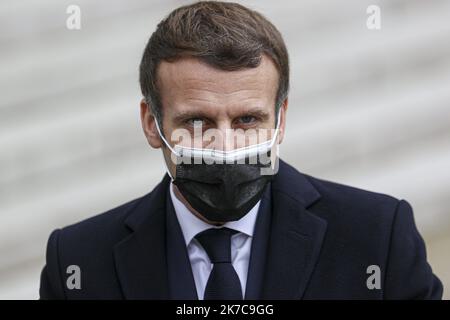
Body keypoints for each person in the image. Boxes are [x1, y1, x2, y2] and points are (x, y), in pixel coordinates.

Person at [39, 1, 442, 299]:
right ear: (151, 123)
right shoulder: (77, 262)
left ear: (280, 119)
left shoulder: (377, 238)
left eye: (248, 120)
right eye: (197, 123)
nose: (226, 147)